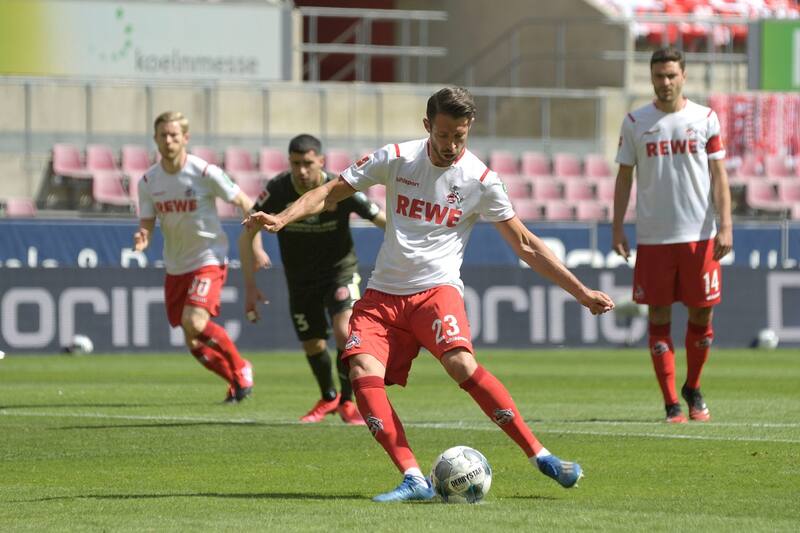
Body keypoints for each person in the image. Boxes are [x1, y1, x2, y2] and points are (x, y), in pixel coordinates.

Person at [245, 87, 615, 502]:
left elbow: (526, 245)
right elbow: (331, 192)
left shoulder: (481, 181)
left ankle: (540, 455)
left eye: (460, 135)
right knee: (361, 372)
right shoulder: (396, 157)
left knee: (460, 363)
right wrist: (283, 217)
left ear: (469, 128)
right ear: (427, 126)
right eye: (443, 135)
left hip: (436, 291)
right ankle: (413, 478)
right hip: (382, 295)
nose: (451, 145)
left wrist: (581, 292)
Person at [612, 47, 733, 424]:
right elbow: (624, 177)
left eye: (671, 75)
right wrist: (617, 226)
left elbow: (719, 176)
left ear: (683, 76)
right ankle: (671, 403)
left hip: (700, 235)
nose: (665, 82)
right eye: (658, 76)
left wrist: (726, 225)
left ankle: (692, 387)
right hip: (654, 238)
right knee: (659, 315)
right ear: (651, 78)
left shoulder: (705, 118)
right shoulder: (635, 121)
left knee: (702, 312)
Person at [239, 134, 386, 425]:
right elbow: (249, 229)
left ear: (321, 161)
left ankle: (347, 402)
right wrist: (252, 276)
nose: (302, 170)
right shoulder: (278, 189)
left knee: (344, 331)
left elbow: (380, 219)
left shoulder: (339, 187)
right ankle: (329, 396)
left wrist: (412, 241)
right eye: (296, 164)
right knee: (313, 344)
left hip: (339, 272)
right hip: (300, 278)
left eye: (308, 163)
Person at [134, 111, 265, 403]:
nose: (168, 141)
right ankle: (236, 381)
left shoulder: (204, 172)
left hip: (209, 258)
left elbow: (245, 203)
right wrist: (143, 235)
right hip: (176, 265)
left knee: (194, 322)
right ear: (155, 139)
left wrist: (255, 245)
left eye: (174, 135)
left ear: (185, 138)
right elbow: (147, 220)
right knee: (192, 339)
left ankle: (241, 366)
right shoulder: (147, 181)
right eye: (163, 135)